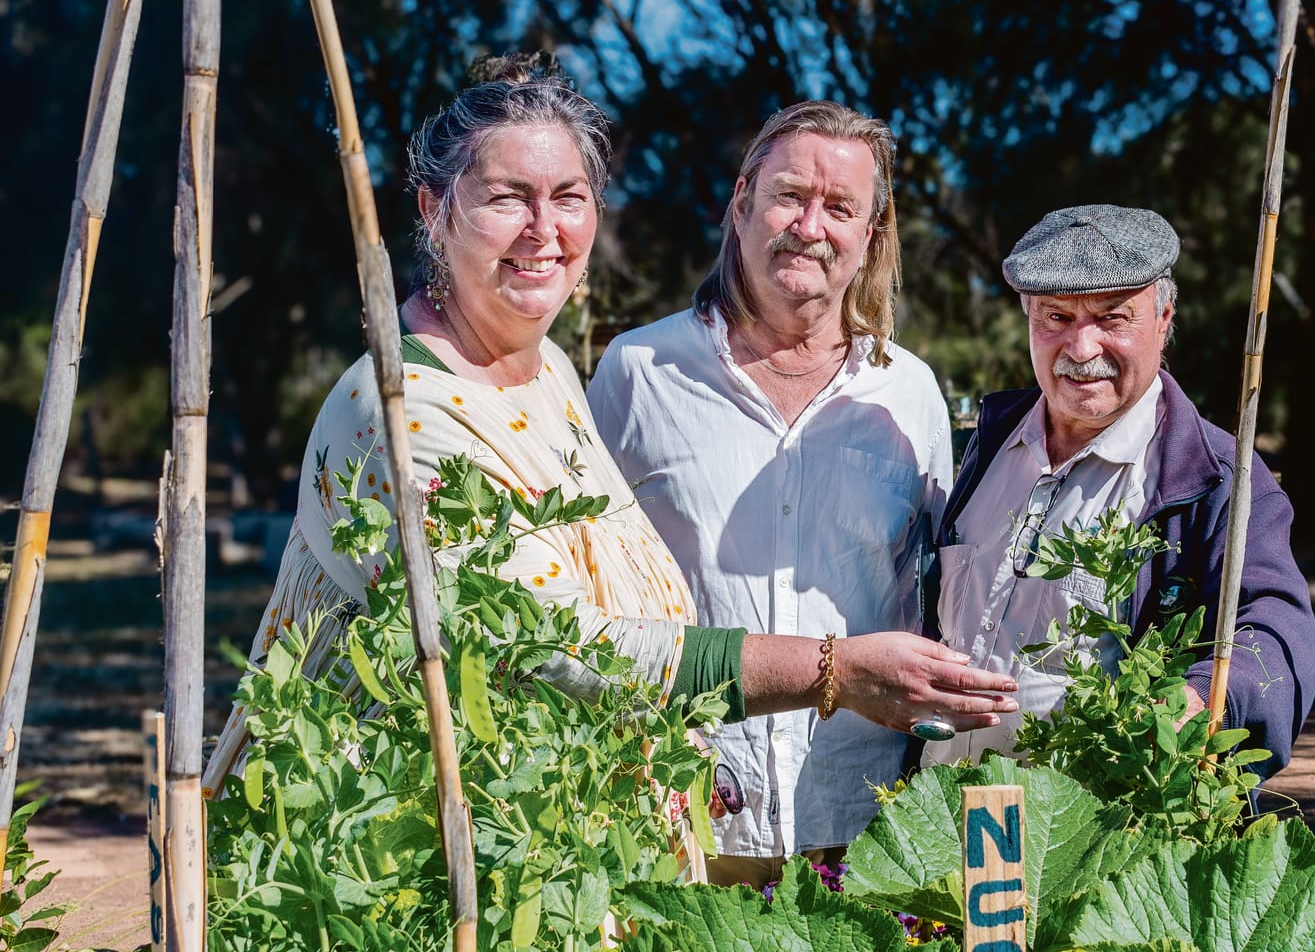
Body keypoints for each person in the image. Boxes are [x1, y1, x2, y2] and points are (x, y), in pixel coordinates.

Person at [203, 61, 1015, 880]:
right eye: (506, 195)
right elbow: (546, 646)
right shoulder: (400, 408)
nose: (542, 229)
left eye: (568, 198)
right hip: (383, 857)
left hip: (547, 841)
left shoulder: (545, 369)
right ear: (433, 208)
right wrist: (835, 670)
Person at [589, 101, 1011, 887]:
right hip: (681, 820)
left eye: (840, 207)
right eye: (789, 195)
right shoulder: (638, 373)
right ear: (741, 201)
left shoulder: (907, 392)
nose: (810, 225)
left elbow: (940, 590)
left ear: (870, 237)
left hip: (863, 828)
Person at [919, 204, 1315, 773]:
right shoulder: (983, 445)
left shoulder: (1216, 481)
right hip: (949, 826)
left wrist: (1203, 699)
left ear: (1164, 318)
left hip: (1100, 840)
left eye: (1112, 318)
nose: (1081, 349)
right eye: (1055, 317)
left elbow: (1277, 632)